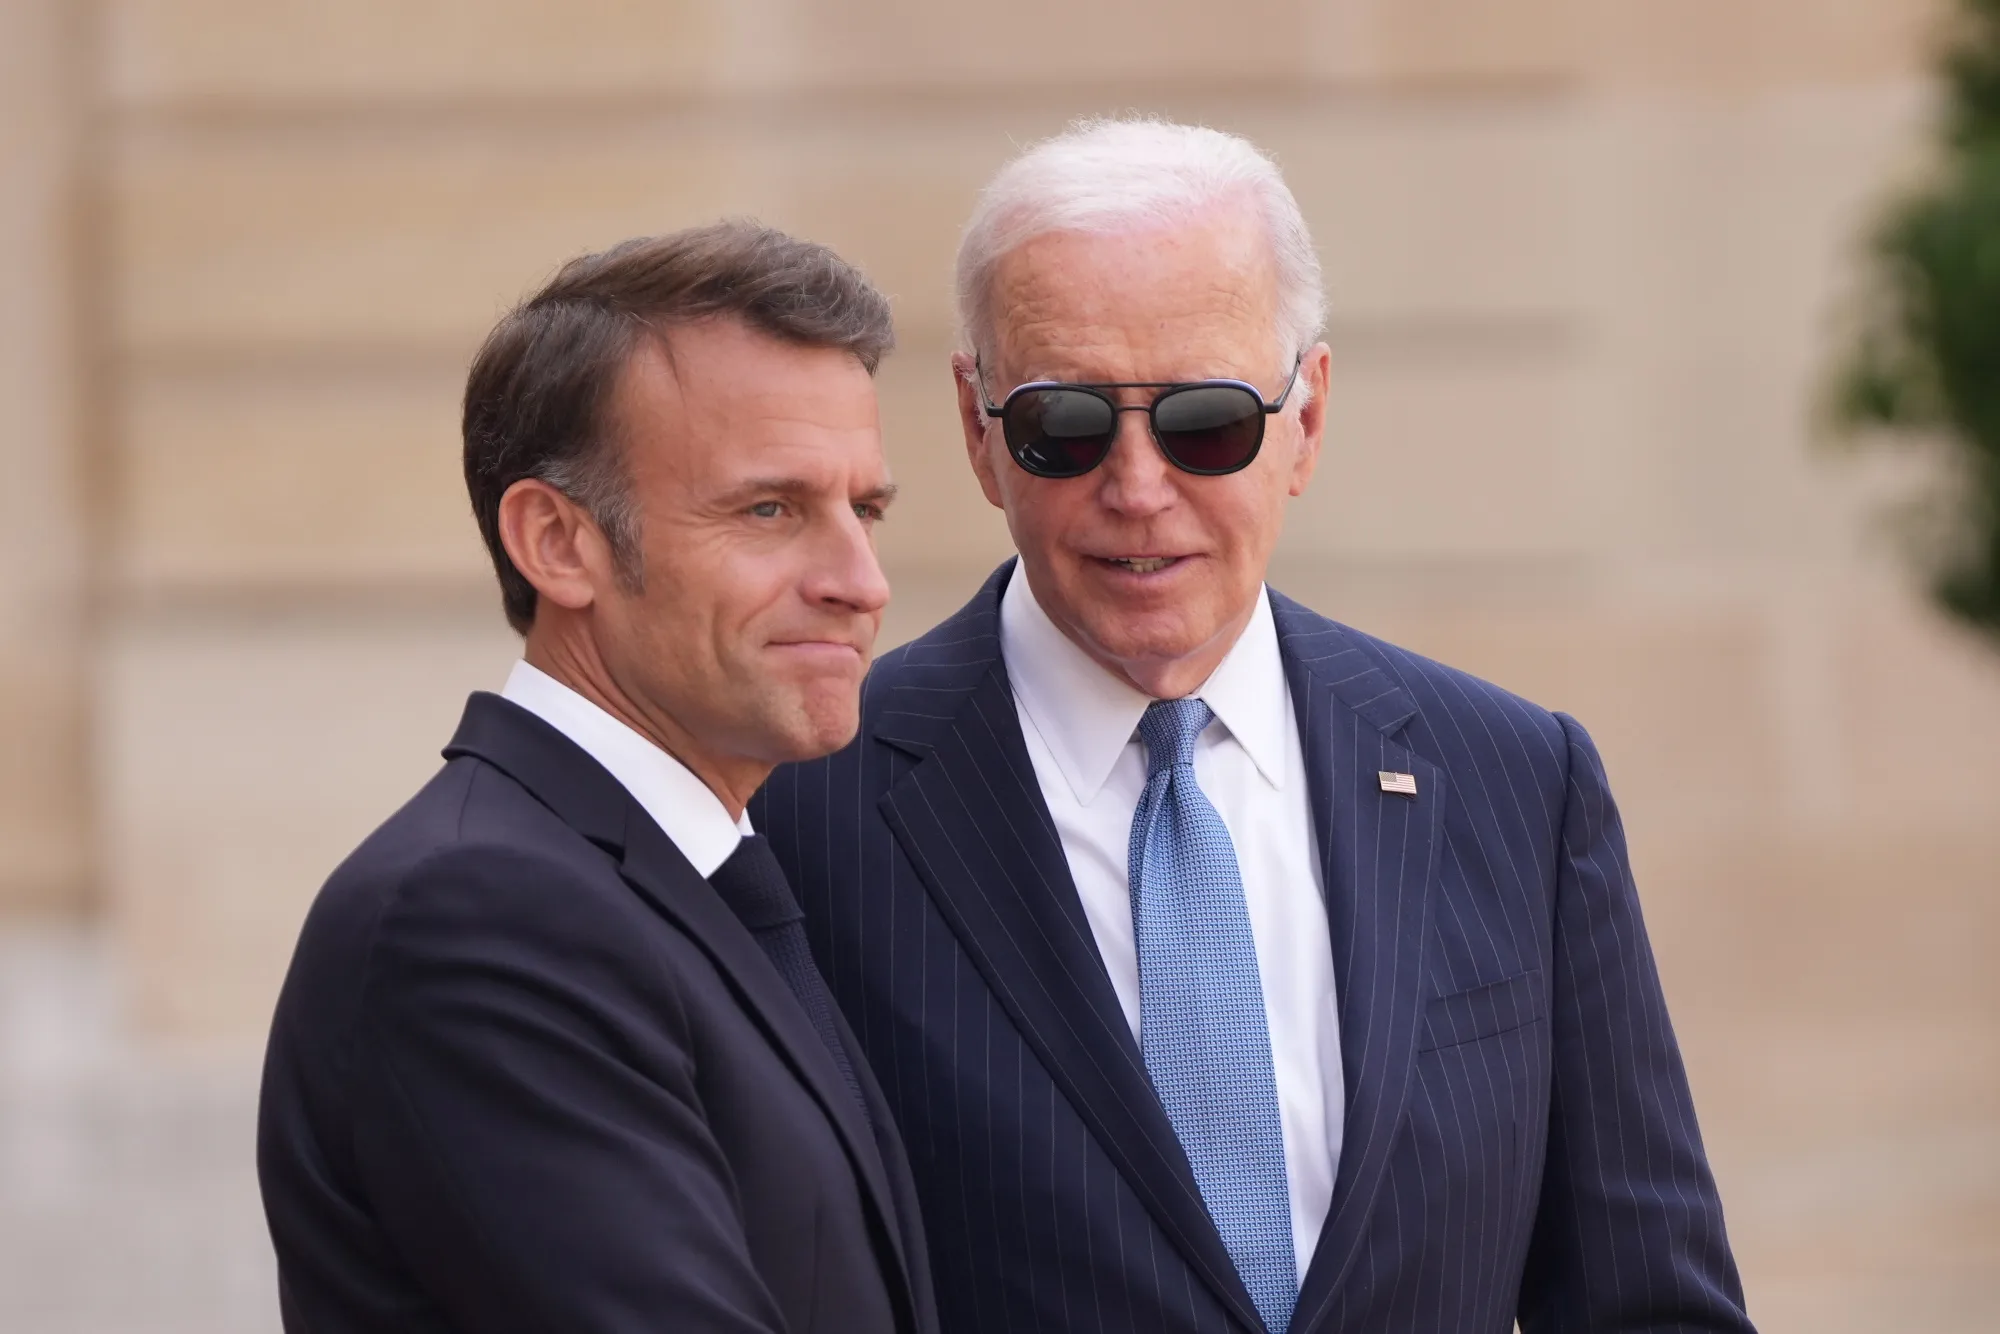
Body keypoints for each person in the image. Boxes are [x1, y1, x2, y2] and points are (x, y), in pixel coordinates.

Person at [753, 119, 1755, 1333]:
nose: (1135, 484)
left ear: (1308, 417)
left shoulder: (1512, 778)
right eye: (1064, 423)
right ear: (978, 428)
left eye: (1204, 420)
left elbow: (1647, 1300)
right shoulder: (796, 802)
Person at [258, 222, 936, 1334]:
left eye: (863, 510)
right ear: (557, 542)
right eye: (770, 509)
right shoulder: (481, 913)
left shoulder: (681, 877)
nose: (859, 582)